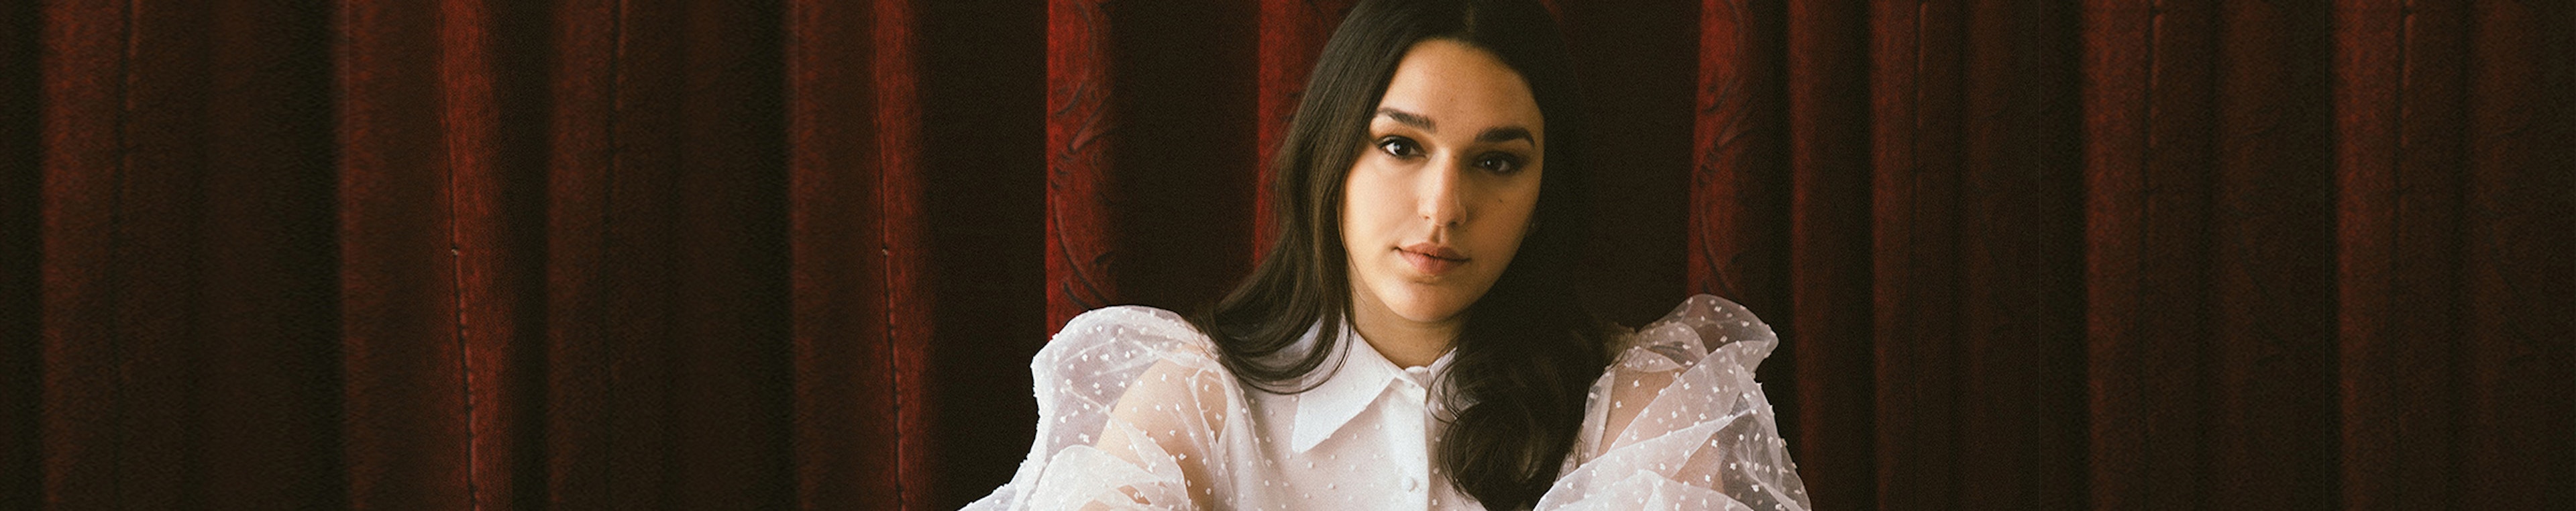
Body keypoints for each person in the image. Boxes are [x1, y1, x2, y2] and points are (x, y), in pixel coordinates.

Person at [968, 0, 1808, 508]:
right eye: (1401, 146)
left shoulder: (1632, 409)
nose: (1444, 208)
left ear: (1544, 198)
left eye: (1496, 162)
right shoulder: (1198, 405)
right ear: (1330, 159)